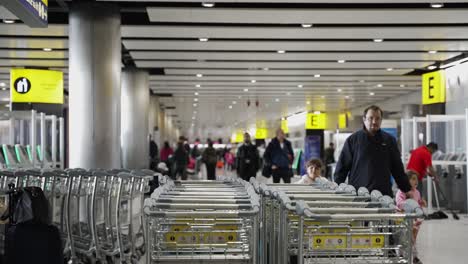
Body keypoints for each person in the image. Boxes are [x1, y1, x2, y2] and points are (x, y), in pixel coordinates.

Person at [334, 105, 412, 197]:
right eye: (371, 118)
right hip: (358, 194)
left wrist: (406, 189)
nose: (374, 122)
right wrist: (337, 188)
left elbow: (397, 168)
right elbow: (342, 167)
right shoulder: (353, 140)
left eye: (378, 118)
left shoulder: (389, 140)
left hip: (383, 194)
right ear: (364, 119)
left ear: (381, 120)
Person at [395, 171, 426, 264]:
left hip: (414, 220)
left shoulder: (417, 192)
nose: (416, 181)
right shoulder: (401, 192)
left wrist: (421, 202)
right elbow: (399, 204)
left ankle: (414, 257)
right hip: (403, 220)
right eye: (413, 179)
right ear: (407, 180)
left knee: (413, 239)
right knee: (405, 238)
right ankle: (405, 255)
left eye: (416, 179)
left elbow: (417, 203)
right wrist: (409, 201)